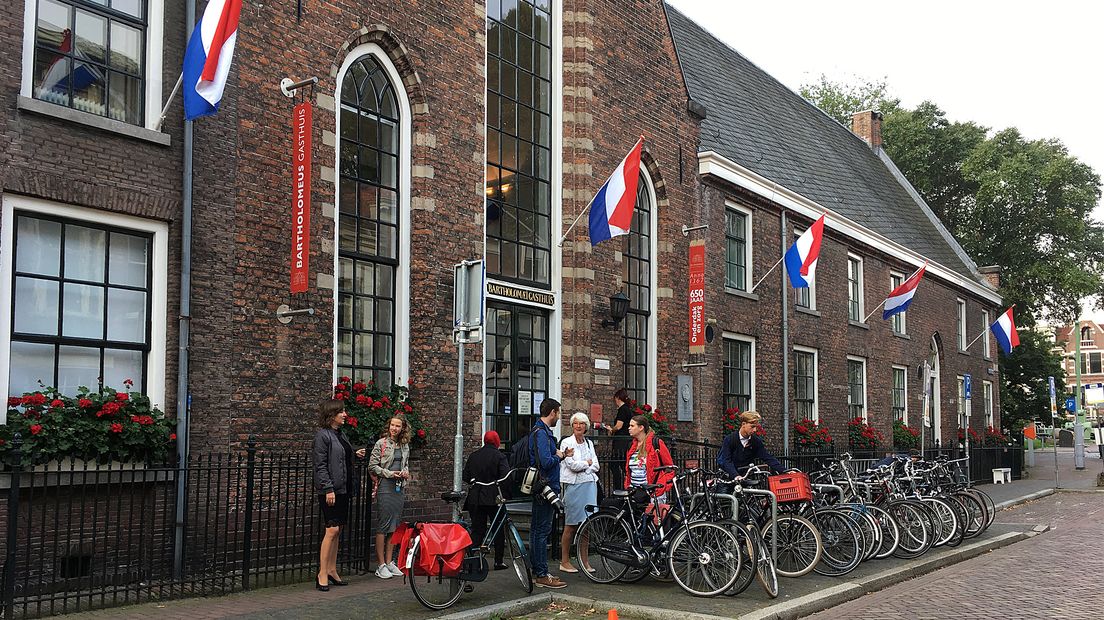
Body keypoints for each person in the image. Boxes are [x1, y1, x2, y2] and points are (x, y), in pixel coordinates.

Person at [312, 400, 366, 592]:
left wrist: (354, 453)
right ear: (331, 414)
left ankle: (332, 570)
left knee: (338, 530)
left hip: (343, 489)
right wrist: (327, 488)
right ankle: (322, 573)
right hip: (331, 491)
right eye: (341, 412)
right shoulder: (322, 436)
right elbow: (320, 464)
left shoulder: (340, 434)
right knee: (331, 530)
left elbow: (341, 456)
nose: (345, 414)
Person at [530, 398, 571, 589]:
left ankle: (537, 570)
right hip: (545, 488)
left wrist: (559, 454)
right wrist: (560, 455)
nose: (558, 417)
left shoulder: (541, 432)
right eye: (558, 413)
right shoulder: (541, 434)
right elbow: (546, 462)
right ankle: (541, 574)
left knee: (537, 530)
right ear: (552, 412)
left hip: (543, 486)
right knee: (542, 531)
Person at [369, 415, 412, 579]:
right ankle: (380, 565)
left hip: (399, 487)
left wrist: (405, 472)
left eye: (398, 426)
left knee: (394, 525)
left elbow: (405, 463)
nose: (394, 428)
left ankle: (389, 561)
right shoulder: (382, 443)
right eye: (392, 425)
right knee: (383, 525)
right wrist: (388, 473)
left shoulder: (405, 445)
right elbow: (372, 466)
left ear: (402, 428)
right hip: (386, 486)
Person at [462, 431, 510, 570]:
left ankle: (471, 560)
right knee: (498, 529)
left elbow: (466, 476)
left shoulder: (474, 456)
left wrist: (475, 480)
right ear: (496, 441)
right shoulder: (500, 456)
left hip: (476, 498)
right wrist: (506, 494)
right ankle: (498, 561)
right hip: (494, 498)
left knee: (477, 530)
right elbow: (505, 477)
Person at [558, 412, 599, 574]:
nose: (578, 426)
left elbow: (596, 464)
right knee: (571, 525)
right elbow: (571, 465)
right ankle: (565, 561)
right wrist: (586, 464)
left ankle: (585, 561)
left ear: (586, 426)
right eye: (576, 423)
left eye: (582, 423)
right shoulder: (566, 442)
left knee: (587, 525)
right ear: (572, 425)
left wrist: (585, 465)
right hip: (574, 487)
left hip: (590, 486)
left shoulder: (589, 443)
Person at [623, 414, 676, 499]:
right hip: (634, 491)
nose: (629, 428)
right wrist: (627, 485)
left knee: (653, 512)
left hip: (652, 492)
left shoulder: (656, 443)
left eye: (632, 426)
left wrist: (661, 485)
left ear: (641, 428)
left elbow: (670, 468)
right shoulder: (631, 446)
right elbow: (628, 470)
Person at [717, 411, 784, 477]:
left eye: (756, 427)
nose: (755, 430)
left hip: (746, 477)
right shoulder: (730, 439)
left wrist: (784, 471)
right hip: (728, 477)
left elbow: (767, 457)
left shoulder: (755, 442)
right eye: (752, 427)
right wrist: (736, 476)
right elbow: (726, 461)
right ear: (743, 424)